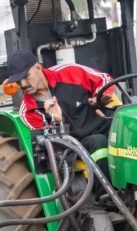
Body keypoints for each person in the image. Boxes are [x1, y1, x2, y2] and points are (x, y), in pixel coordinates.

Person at [7, 49, 120, 177]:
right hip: (77, 144)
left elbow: (104, 79)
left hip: (104, 125)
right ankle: (107, 195)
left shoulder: (69, 72)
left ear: (38, 67)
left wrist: (99, 96)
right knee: (98, 142)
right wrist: (58, 122)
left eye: (26, 76)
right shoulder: (28, 111)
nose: (22, 84)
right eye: (18, 81)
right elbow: (53, 146)